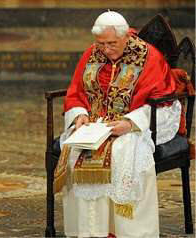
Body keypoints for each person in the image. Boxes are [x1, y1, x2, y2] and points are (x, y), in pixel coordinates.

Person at [55, 11, 181, 237]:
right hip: (95, 126)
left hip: (131, 124)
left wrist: (131, 123)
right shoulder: (91, 54)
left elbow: (164, 103)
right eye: (101, 43)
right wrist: (79, 116)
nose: (106, 49)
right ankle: (91, 231)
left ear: (126, 36)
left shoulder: (148, 57)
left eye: (112, 43)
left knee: (122, 153)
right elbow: (76, 92)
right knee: (75, 151)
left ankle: (125, 231)